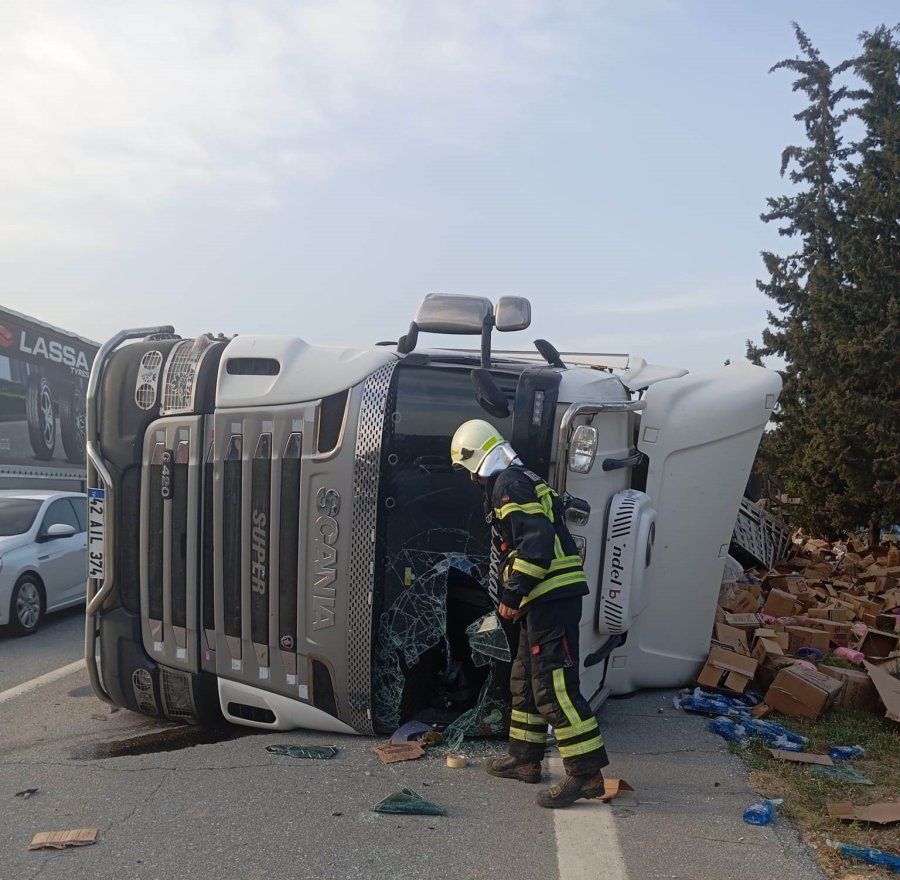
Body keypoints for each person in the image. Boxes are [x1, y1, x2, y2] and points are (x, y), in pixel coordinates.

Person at [450, 418, 609, 808]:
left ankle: (586, 774)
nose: (471, 480)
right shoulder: (521, 477)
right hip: (542, 600)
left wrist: (513, 591)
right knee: (524, 677)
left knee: (554, 686)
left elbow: (535, 544)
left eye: (468, 470)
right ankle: (524, 759)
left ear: (477, 460)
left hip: (548, 596)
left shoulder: (508, 484)